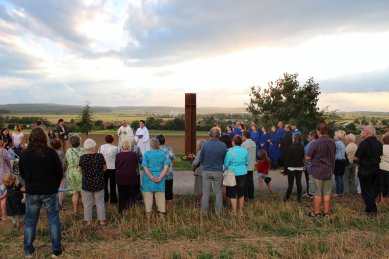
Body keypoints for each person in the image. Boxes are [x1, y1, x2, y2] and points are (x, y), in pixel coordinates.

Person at [19, 127, 63, 258]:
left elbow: (22, 173)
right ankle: (56, 250)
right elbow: (59, 173)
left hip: (32, 192)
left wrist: (29, 183)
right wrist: (54, 185)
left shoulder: (24, 154)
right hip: (49, 191)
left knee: (30, 221)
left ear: (31, 138)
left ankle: (28, 251)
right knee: (53, 220)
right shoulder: (51, 153)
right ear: (45, 137)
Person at [306, 123, 336, 217]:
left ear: (318, 131)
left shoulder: (315, 143)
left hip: (317, 171)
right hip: (329, 170)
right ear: (327, 131)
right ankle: (326, 212)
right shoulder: (332, 142)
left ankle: (317, 212)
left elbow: (307, 157)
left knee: (317, 193)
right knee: (327, 193)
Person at [354, 126, 383, 216]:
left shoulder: (364, 143)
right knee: (372, 191)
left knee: (366, 192)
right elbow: (380, 155)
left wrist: (356, 162)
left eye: (363, 131)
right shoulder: (379, 143)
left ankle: (372, 211)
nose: (362, 133)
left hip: (365, 171)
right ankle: (368, 209)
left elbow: (356, 158)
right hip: (376, 170)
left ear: (367, 133)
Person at [199, 127, 227, 216]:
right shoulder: (223, 145)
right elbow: (224, 158)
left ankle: (204, 213)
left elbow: (201, 159)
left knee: (206, 193)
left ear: (209, 134)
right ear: (219, 135)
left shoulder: (204, 145)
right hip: (218, 170)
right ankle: (218, 213)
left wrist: (206, 164)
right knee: (218, 192)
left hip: (207, 170)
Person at [79, 138, 107, 226]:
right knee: (100, 202)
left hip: (87, 183)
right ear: (94, 146)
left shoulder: (82, 157)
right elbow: (105, 168)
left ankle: (88, 221)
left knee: (87, 203)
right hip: (99, 182)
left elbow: (80, 170)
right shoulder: (99, 156)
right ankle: (101, 220)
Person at [141, 138, 170, 218]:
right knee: (160, 199)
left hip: (148, 180)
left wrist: (151, 177)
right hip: (159, 180)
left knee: (148, 199)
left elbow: (145, 167)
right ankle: (161, 218)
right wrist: (160, 177)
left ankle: (148, 217)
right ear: (158, 145)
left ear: (151, 145)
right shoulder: (163, 154)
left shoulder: (146, 154)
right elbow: (166, 167)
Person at [224, 135, 248, 215]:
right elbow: (247, 162)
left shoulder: (230, 151)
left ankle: (234, 211)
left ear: (233, 142)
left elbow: (226, 164)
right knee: (241, 193)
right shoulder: (245, 151)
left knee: (232, 193)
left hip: (232, 173)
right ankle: (241, 211)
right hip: (243, 173)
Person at [115, 140, 139, 214]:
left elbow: (116, 165)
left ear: (122, 146)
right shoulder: (134, 155)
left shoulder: (118, 155)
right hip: (131, 178)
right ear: (129, 146)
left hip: (121, 178)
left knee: (122, 195)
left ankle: (122, 210)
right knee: (132, 195)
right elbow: (136, 164)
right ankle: (131, 209)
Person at [66, 135, 85, 215]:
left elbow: (66, 161)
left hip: (70, 173)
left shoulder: (68, 151)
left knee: (75, 193)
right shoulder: (83, 150)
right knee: (83, 193)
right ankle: (85, 211)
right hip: (80, 172)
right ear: (79, 142)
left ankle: (75, 211)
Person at [156, 134, 176, 210]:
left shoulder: (155, 150)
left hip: (158, 175)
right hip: (169, 175)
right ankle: (169, 210)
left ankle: (161, 209)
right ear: (164, 141)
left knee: (159, 193)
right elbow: (174, 160)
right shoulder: (169, 149)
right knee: (169, 193)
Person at [99, 135, 120, 204]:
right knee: (113, 184)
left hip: (104, 168)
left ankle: (105, 199)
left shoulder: (101, 147)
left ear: (105, 140)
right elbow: (118, 157)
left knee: (104, 184)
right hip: (113, 168)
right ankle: (113, 200)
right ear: (113, 140)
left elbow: (99, 155)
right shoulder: (116, 148)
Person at [284, 133, 305, 202]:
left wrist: (286, 167)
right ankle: (299, 198)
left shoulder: (291, 147)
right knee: (299, 184)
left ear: (294, 139)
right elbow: (303, 157)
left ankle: (287, 198)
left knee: (290, 184)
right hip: (299, 167)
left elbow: (287, 158)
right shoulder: (302, 147)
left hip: (291, 168)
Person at [51, 139, 67, 209]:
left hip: (51, 174)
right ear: (60, 145)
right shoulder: (61, 153)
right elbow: (63, 165)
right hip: (60, 174)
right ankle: (59, 203)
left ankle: (53, 203)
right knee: (60, 189)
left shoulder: (49, 152)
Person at [241, 131, 256, 201]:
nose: (242, 137)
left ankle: (245, 196)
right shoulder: (253, 143)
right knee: (250, 181)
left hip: (245, 165)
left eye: (242, 136)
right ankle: (251, 196)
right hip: (252, 165)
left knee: (245, 182)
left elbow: (242, 155)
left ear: (244, 136)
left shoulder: (244, 144)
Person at [303, 131, 318, 198]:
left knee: (309, 180)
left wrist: (304, 165)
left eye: (309, 135)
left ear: (312, 136)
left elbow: (306, 156)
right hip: (317, 165)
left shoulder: (310, 144)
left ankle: (310, 193)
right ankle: (314, 193)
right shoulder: (318, 143)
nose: (308, 137)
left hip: (310, 165)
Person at [219, 134, 233, 202]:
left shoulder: (224, 151)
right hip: (232, 171)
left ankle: (224, 200)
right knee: (230, 188)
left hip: (224, 170)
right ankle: (229, 201)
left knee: (223, 187)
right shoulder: (233, 150)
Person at [192, 139, 206, 206]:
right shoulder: (208, 151)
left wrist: (193, 166)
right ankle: (205, 201)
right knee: (205, 188)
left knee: (199, 188)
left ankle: (200, 202)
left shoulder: (200, 152)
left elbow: (195, 163)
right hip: (207, 171)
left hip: (200, 171)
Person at [0, 137, 11, 221]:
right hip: (4, 175)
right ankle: (4, 215)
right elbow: (9, 161)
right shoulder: (3, 151)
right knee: (3, 197)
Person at [333, 130, 347, 197]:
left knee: (337, 177)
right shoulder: (342, 143)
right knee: (341, 177)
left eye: (335, 135)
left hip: (337, 161)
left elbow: (333, 152)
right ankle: (341, 192)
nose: (334, 136)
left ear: (337, 136)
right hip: (343, 161)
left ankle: (338, 192)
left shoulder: (336, 143)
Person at [379, 133, 389, 204]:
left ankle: (383, 200)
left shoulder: (382, 147)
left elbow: (379, 157)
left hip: (382, 168)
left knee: (382, 184)